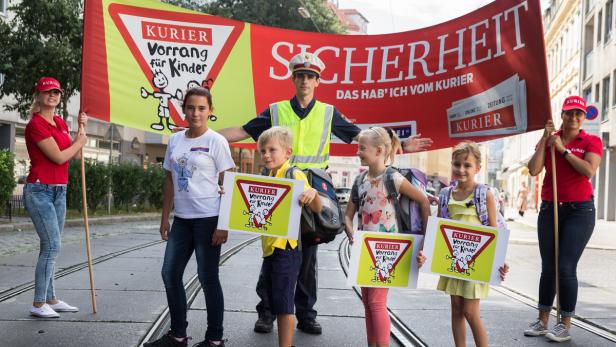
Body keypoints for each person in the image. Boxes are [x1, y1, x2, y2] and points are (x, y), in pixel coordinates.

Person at [215, 52, 433, 335]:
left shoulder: (328, 113)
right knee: (274, 251)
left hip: (313, 190)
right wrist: (203, 135)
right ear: (293, 79)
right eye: (301, 76)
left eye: (310, 76)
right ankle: (267, 312)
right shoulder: (276, 110)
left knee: (308, 254)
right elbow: (243, 130)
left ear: (317, 81)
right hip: (281, 186)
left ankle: (305, 313)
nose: (305, 81)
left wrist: (399, 142)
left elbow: (361, 137)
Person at [146, 87, 235, 347]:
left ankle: (215, 339)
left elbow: (229, 182)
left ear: (210, 111)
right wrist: (165, 218)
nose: (195, 113)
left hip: (209, 219)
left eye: (201, 108)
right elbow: (170, 179)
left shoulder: (216, 141)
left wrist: (224, 224)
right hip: (182, 221)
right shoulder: (175, 140)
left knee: (208, 279)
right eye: (191, 107)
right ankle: (178, 335)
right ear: (183, 109)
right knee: (169, 273)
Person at [524, 96, 602, 343]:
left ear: (584, 117)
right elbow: (534, 169)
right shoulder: (550, 138)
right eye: (569, 113)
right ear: (562, 114)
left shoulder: (591, 141)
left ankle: (564, 324)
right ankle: (543, 319)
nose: (574, 118)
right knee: (548, 267)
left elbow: (588, 170)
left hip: (580, 211)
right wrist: (546, 141)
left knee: (566, 267)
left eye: (579, 114)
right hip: (550, 208)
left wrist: (563, 151)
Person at [344, 127, 430, 347]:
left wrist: (426, 241)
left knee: (376, 302)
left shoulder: (393, 177)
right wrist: (350, 231)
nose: (358, 152)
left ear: (379, 150)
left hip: (386, 249)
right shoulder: (359, 180)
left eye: (362, 148)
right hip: (365, 249)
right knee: (368, 302)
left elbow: (423, 201)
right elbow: (349, 215)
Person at [422, 141, 508, 347]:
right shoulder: (445, 195)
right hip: (452, 260)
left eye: (467, 165)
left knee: (470, 311)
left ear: (478, 168)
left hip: (476, 262)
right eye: (457, 164)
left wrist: (500, 264)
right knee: (456, 309)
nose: (461, 169)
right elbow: (440, 231)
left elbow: (495, 231)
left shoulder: (484, 194)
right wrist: (427, 253)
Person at [24, 77, 87, 318]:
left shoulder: (60, 121)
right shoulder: (36, 124)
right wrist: (80, 142)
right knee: (52, 246)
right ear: (38, 95)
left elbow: (72, 150)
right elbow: (60, 157)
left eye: (57, 92)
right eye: (48, 91)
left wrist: (81, 129)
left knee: (49, 247)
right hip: (40, 190)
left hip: (60, 189)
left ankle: (51, 297)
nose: (53, 95)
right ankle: (38, 303)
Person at [256, 126, 323, 347]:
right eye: (263, 151)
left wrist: (312, 193)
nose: (266, 155)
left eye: (272, 150)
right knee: (275, 296)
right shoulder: (268, 175)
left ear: (287, 152)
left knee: (284, 301)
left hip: (287, 247)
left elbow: (317, 206)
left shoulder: (293, 173)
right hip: (271, 249)